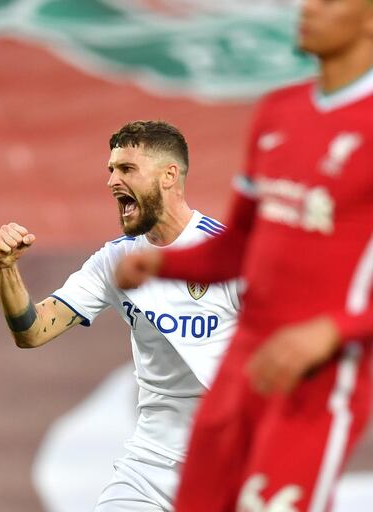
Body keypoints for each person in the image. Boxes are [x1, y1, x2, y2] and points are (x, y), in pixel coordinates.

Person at [114, 1, 373, 510]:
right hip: (244, 359)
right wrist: (163, 263)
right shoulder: (280, 109)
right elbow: (240, 246)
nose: (307, 9)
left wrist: (332, 330)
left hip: (322, 371)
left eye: (328, 1)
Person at [0, 121, 239, 511]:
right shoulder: (114, 260)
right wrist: (6, 269)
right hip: (150, 466)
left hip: (229, 465)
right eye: (110, 169)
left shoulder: (226, 254)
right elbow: (33, 331)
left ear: (168, 176)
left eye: (126, 169)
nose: (111, 181)